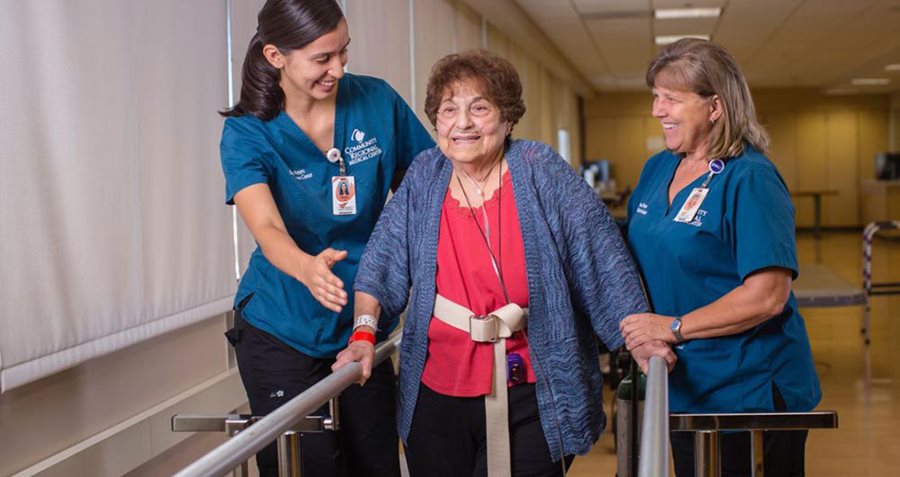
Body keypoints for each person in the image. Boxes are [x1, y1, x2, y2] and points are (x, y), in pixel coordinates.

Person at [332, 49, 675, 477]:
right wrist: (364, 333)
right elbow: (382, 261)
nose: (463, 123)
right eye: (449, 110)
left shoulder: (540, 170)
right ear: (435, 121)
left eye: (480, 108)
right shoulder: (424, 174)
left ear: (508, 118)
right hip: (437, 391)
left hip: (533, 390)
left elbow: (600, 256)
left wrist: (638, 335)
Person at [218, 1, 433, 475]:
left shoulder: (377, 102)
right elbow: (268, 228)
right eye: (322, 58)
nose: (339, 67)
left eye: (344, 52)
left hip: (364, 320)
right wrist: (307, 268)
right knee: (310, 466)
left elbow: (430, 191)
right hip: (282, 326)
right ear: (276, 56)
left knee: (375, 463)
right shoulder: (247, 132)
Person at [620, 38, 821, 476]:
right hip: (680, 381)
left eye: (671, 99)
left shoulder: (751, 178)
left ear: (715, 107)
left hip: (747, 387)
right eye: (655, 97)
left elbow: (767, 295)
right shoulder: (658, 168)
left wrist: (673, 327)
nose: (657, 110)